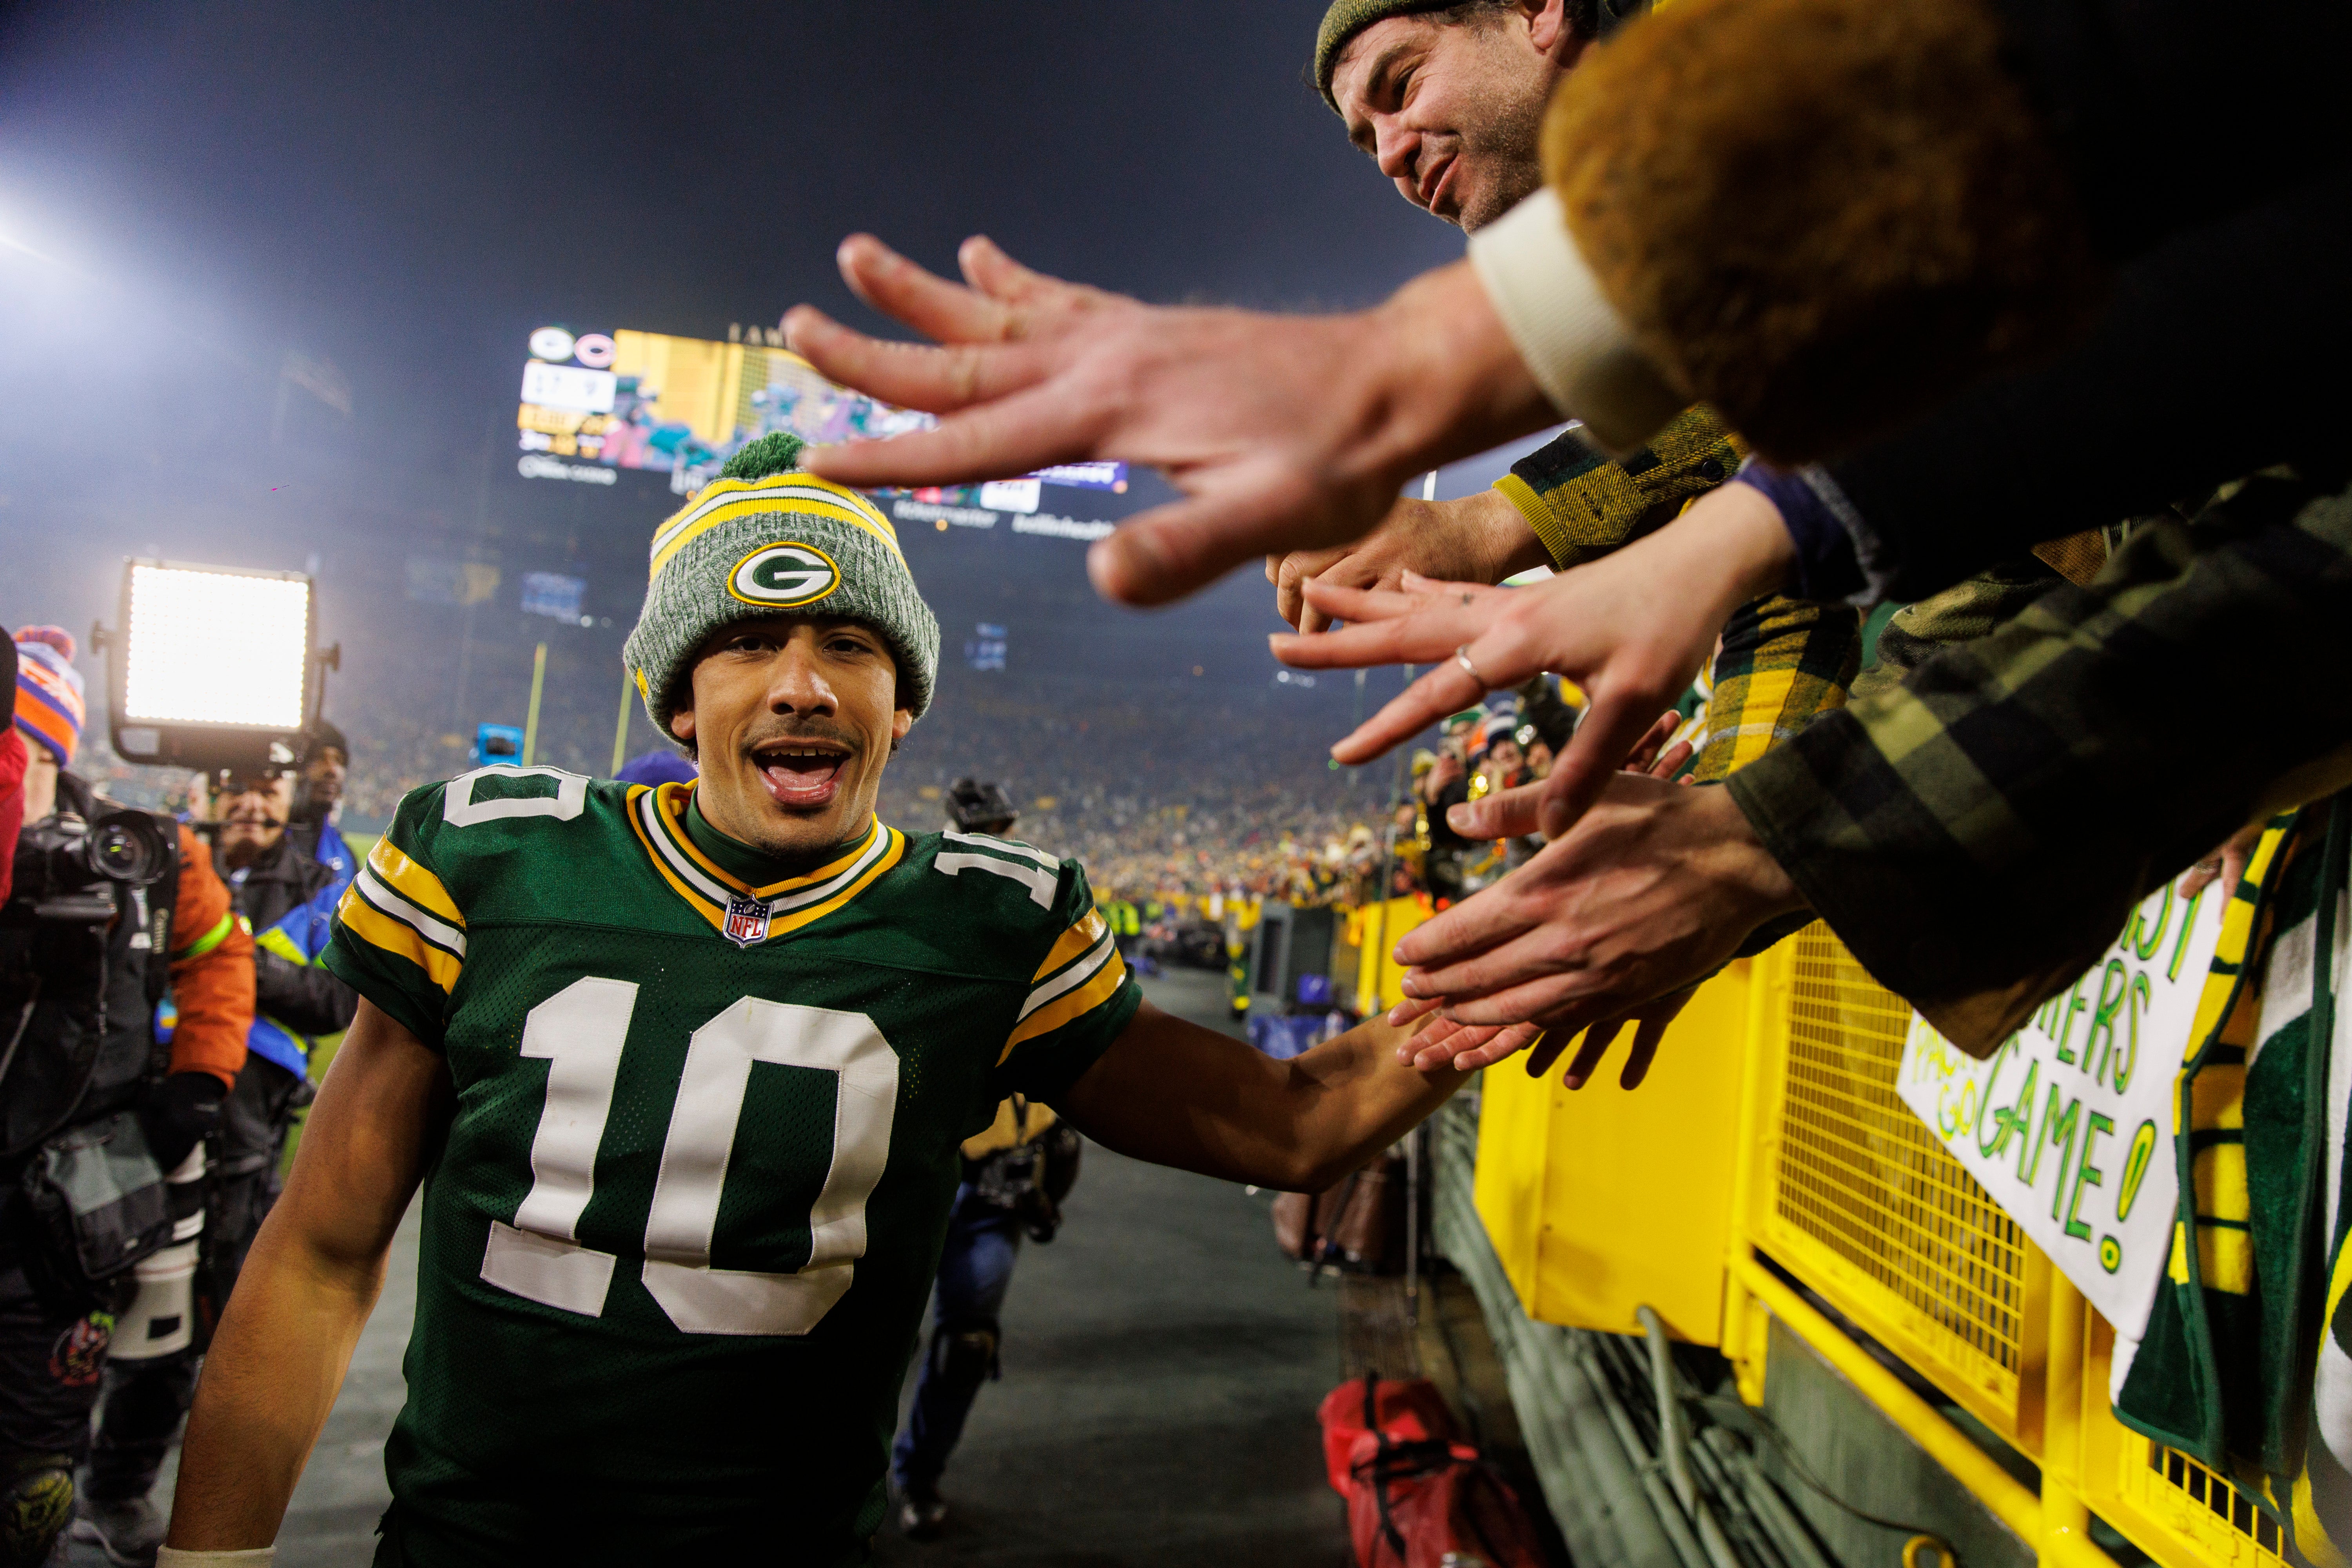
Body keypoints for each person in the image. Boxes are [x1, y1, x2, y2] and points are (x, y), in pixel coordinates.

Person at [160, 435, 1466, 1566]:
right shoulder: (497, 864)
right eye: (747, 643)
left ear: (902, 708)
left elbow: (1293, 1121)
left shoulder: (987, 926)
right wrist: (212, 1557)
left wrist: (1526, 964)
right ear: (681, 700)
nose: (802, 682)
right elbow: (321, 1254)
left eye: (850, 644)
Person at [0, 626, 254, 1568]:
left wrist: (198, 1077)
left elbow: (221, 951)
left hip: (65, 1210)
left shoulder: (141, 854)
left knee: (33, 1470)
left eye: (28, 753)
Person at [76, 757, 360, 1565]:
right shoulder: (154, 854)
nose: (251, 804)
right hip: (120, 1117)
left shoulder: (322, 880)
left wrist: (229, 957)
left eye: (269, 789)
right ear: (207, 793)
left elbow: (335, 1000)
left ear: (289, 798)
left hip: (240, 1137)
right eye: (235, 787)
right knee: (79, 1300)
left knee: (187, 1321)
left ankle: (119, 1487)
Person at [889, 780, 1076, 1538]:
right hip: (902, 1177)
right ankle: (834, 1486)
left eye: (1000, 829)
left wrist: (1050, 1171)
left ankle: (917, 1475)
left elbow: (1073, 1056)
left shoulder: (1041, 926)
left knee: (967, 1345)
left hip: (994, 1186)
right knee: (859, 1341)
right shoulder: (907, 916)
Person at [285, 719, 356, 896]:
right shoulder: (260, 845)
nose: (332, 770)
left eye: (339, 761)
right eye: (318, 758)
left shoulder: (345, 858)